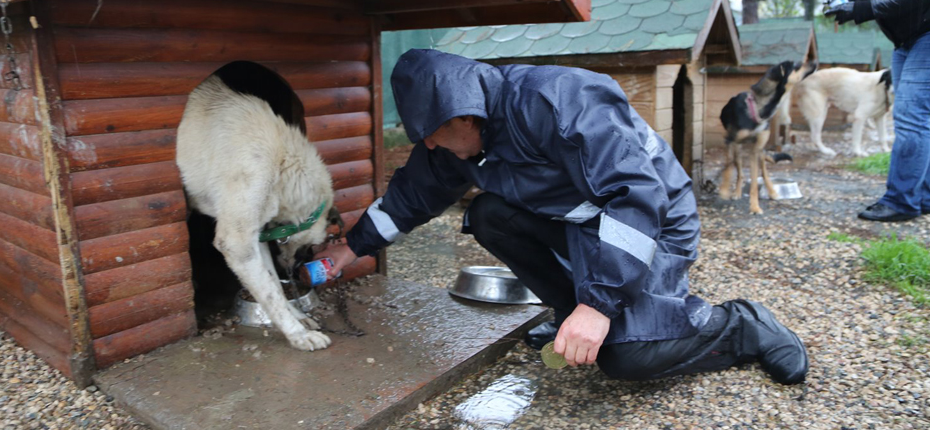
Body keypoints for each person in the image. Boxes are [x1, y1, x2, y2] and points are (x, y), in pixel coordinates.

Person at [316, 49, 808, 384]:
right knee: (488, 214)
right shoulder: (456, 140)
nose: (426, 143)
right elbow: (411, 196)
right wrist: (350, 248)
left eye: (432, 131)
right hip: (584, 222)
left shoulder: (559, 99)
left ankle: (741, 325)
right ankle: (569, 314)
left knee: (625, 356)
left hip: (651, 223)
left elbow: (634, 196)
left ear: (465, 115)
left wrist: (599, 307)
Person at [827, 0, 930, 222]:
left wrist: (859, 8)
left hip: (925, 34)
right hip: (905, 39)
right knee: (920, 119)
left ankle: (901, 202)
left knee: (912, 118)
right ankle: (922, 195)